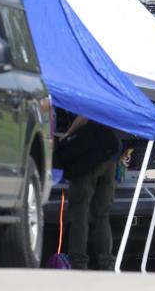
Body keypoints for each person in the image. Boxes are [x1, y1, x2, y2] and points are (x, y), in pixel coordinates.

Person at [57, 113, 122, 270]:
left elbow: (85, 114)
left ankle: (78, 260)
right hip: (109, 157)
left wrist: (67, 135)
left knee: (80, 211)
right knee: (102, 213)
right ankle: (106, 261)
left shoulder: (89, 91)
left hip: (89, 157)